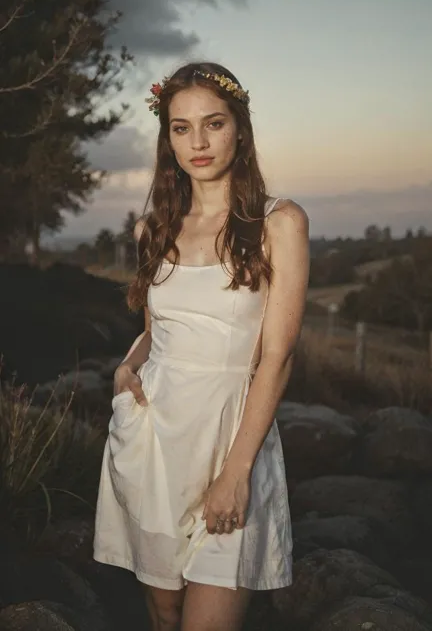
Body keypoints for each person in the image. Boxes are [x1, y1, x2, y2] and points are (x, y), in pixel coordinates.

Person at [93, 62, 309, 631]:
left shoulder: (277, 222)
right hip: (155, 442)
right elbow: (157, 328)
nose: (199, 142)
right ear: (167, 138)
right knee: (164, 613)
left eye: (213, 123)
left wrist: (236, 472)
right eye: (181, 127)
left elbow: (277, 356)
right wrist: (126, 366)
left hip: (232, 437)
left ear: (240, 127)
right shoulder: (153, 229)